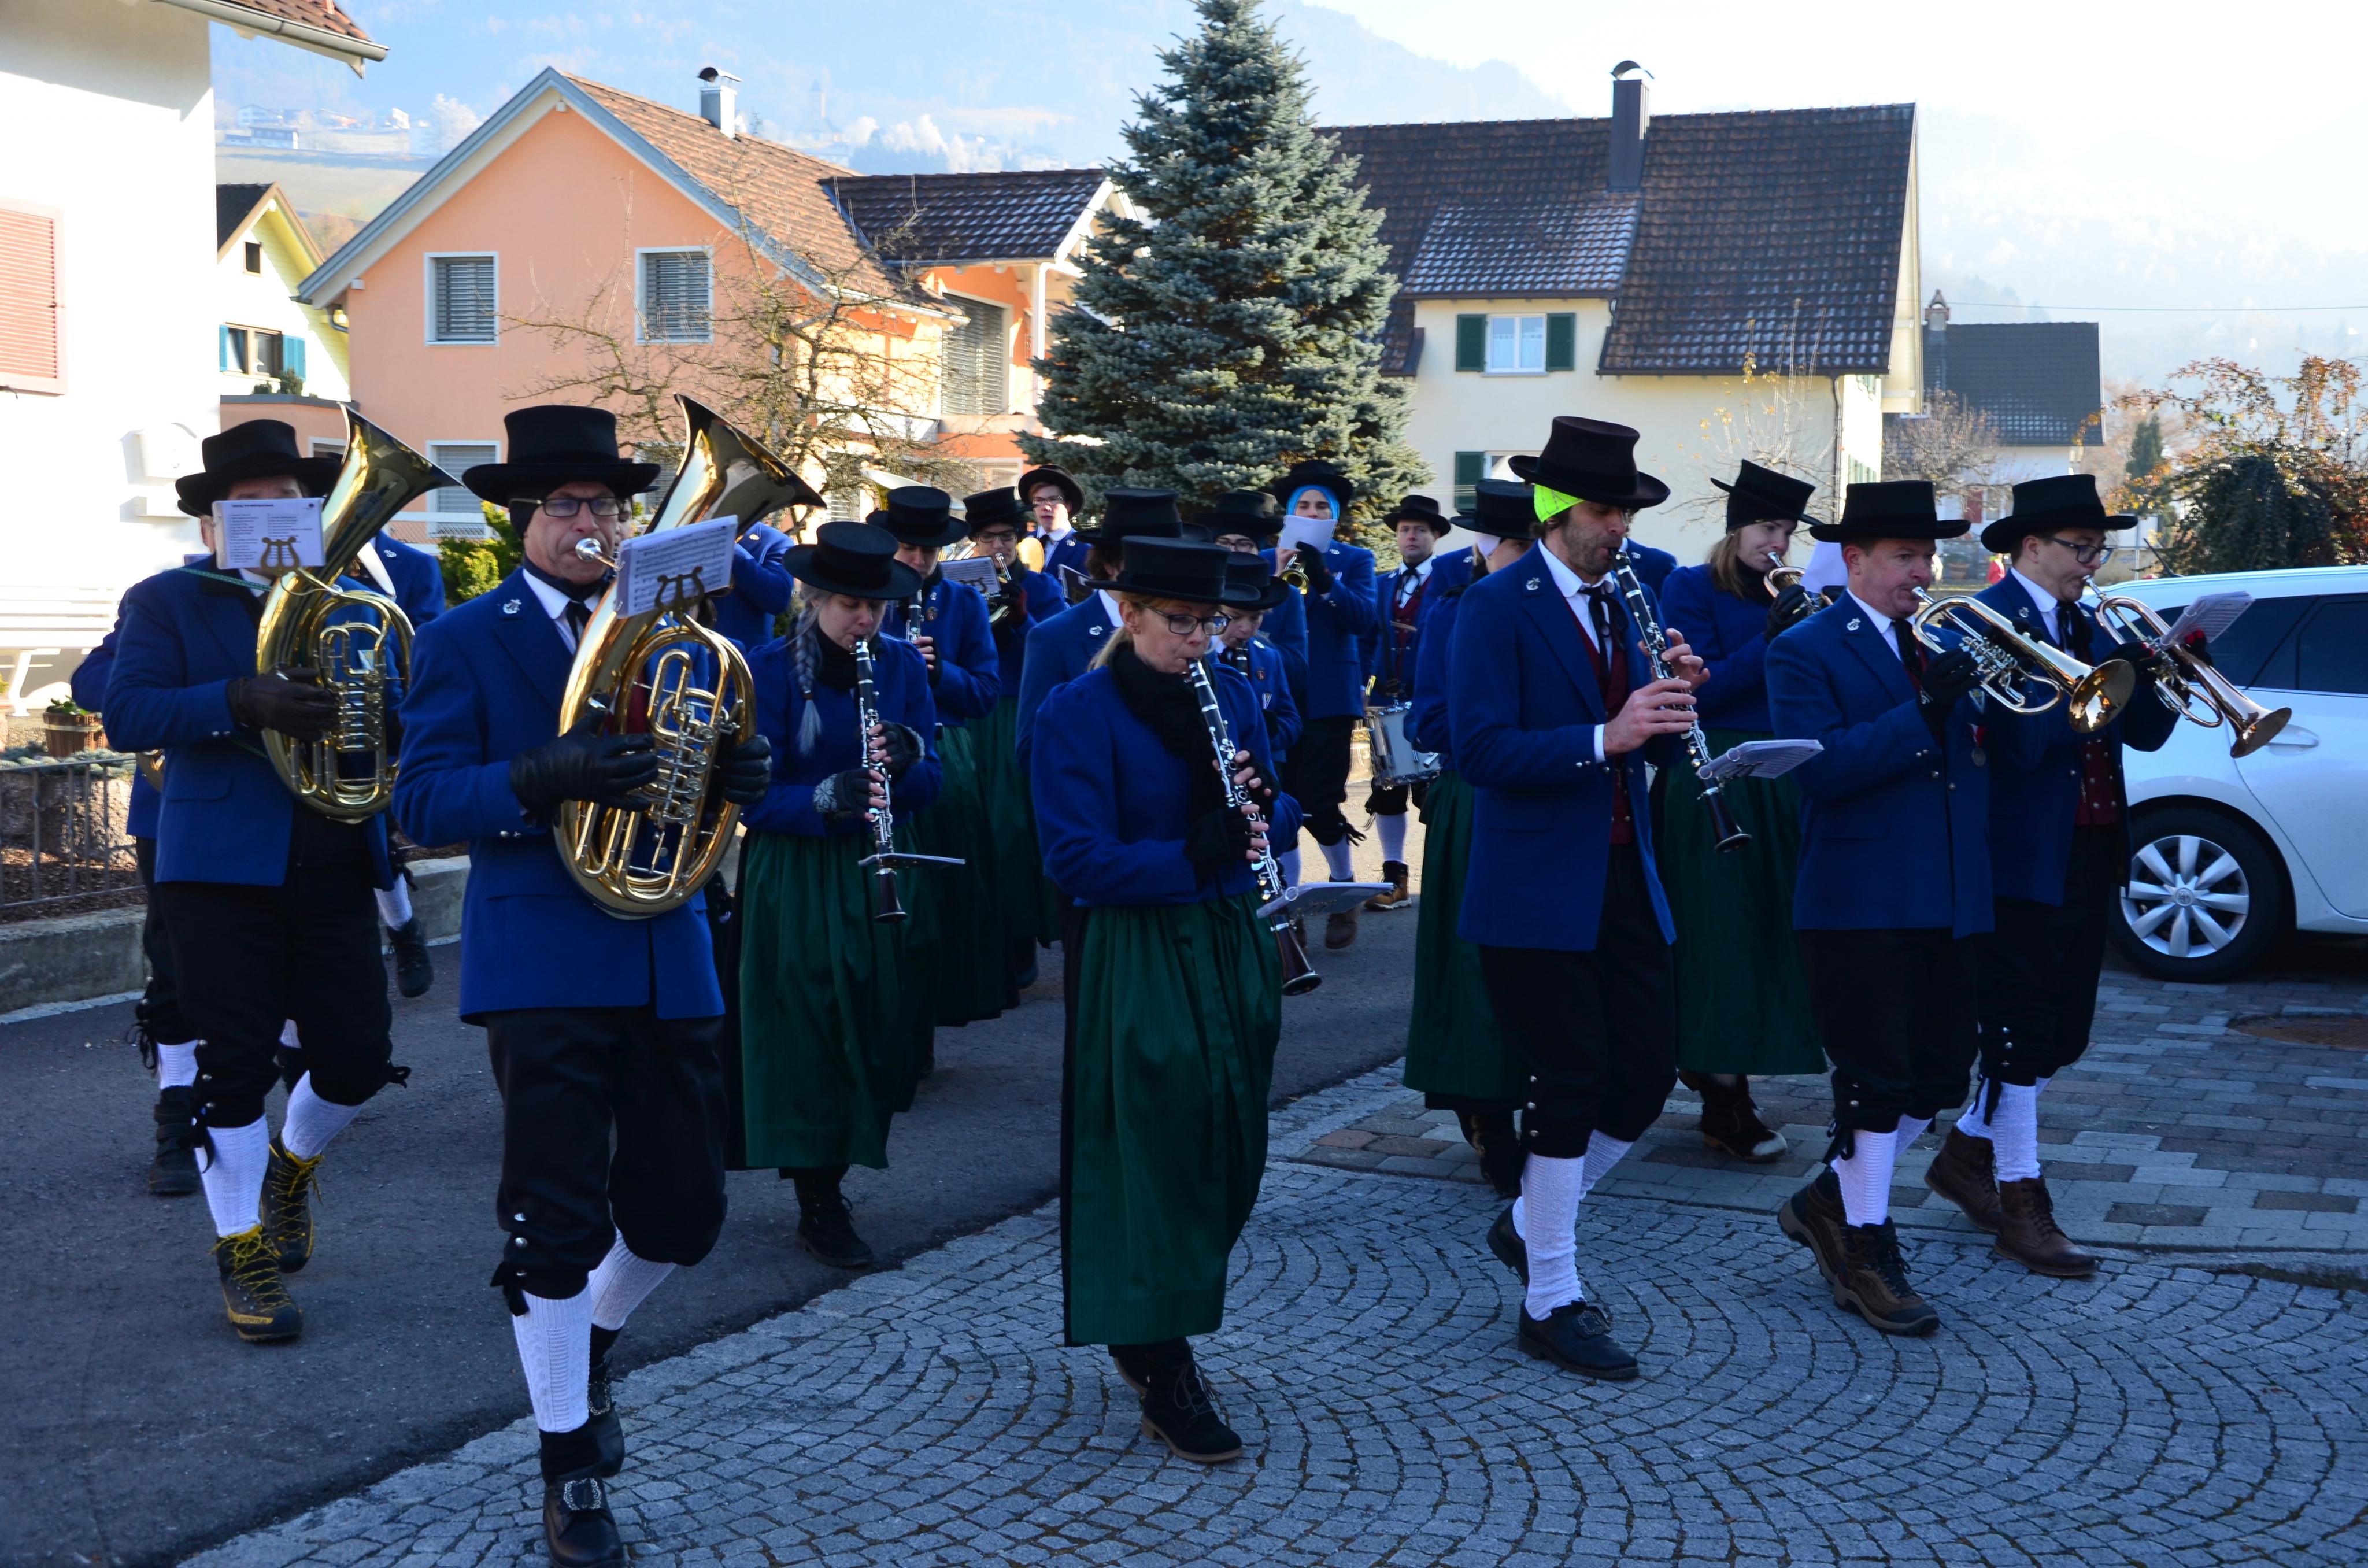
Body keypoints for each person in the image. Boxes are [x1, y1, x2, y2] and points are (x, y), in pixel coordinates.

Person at [393, 405, 771, 1567]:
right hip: (543, 958)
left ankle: (588, 1346)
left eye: (605, 504)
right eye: (565, 506)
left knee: (685, 1215)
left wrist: (740, 773)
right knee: (555, 1219)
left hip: (667, 949)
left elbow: (703, 774)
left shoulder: (679, 633)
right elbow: (419, 804)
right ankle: (567, 1463)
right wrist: (536, 776)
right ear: (521, 520)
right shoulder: (465, 636)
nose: (589, 523)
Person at [103, 419, 409, 1348]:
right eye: (250, 505)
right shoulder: (167, 599)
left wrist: (380, 716)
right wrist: (241, 699)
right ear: (213, 525)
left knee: (356, 1059)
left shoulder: (350, 599)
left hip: (331, 855)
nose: (272, 515)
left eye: (288, 502)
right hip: (217, 870)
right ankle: (242, 1246)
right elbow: (126, 712)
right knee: (232, 1065)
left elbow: (401, 709)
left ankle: (290, 1168)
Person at [1031, 535, 1300, 1464]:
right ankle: (1157, 1352)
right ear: (1130, 613)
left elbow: (1278, 806)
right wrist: (1195, 848)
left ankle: (1162, 1321)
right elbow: (1075, 860)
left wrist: (1264, 808)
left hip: (1229, 933)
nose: (1197, 639)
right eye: (1179, 622)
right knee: (1154, 1143)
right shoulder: (1078, 711)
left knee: (1230, 1141)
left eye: (1208, 623)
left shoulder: (1229, 693)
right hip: (1141, 944)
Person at [1452, 417, 1705, 1381]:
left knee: (1645, 1074)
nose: (1620, 528)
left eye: (1627, 512)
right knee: (1569, 1079)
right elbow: (1478, 751)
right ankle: (1551, 1296)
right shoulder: (1495, 605)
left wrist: (1676, 707)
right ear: (1558, 510)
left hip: (1625, 873)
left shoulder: (1626, 601)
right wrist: (1606, 735)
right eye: (1605, 511)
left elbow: (1647, 745)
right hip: (1533, 884)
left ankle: (1529, 1223)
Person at [1764, 479, 2038, 1338]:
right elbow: (1820, 771)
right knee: (1874, 1080)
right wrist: (1926, 709)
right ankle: (1865, 1246)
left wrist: (2019, 683)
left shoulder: (1944, 640)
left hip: (1949, 892)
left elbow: (2000, 755)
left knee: (1941, 1075)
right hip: (1859, 898)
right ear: (1854, 560)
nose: (1922, 572)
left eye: (1928, 556)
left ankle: (1831, 1198)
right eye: (1903, 557)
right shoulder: (1804, 649)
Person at [1924, 474, 2175, 1275]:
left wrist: (2158, 674)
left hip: (2093, 845)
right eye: (2080, 548)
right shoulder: (1986, 624)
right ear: (2030, 547)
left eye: (2099, 549)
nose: (2092, 563)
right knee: (2020, 1029)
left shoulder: (2090, 623)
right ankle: (2020, 1198)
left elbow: (2146, 739)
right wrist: (2097, 688)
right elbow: (2025, 747)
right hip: (2022, 855)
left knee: (2065, 1033)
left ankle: (1965, 1153)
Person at [735, 522, 942, 1270]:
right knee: (809, 1030)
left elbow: (933, 781)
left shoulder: (900, 665)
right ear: (814, 599)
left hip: (875, 864)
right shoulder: (765, 670)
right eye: (851, 605)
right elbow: (751, 797)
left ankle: (839, 1165)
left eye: (875, 607)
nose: (865, 620)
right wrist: (824, 796)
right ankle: (816, 1196)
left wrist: (910, 760)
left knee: (873, 1024)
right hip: (795, 872)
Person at [1655, 460, 1827, 1162]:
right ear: (1735, 530)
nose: (1777, 544)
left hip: (1783, 776)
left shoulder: (1796, 595)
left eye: (1786, 532)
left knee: (1770, 933)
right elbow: (1702, 689)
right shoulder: (1690, 587)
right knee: (1719, 934)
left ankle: (1728, 1068)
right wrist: (1773, 640)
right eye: (1766, 528)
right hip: (1713, 775)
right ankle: (1723, 1095)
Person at [1402, 479, 1534, 1197]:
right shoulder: (1453, 608)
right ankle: (1487, 1110)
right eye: (1511, 545)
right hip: (1478, 797)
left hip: (1551, 795)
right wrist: (1509, 735)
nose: (1523, 556)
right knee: (1474, 964)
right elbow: (1428, 721)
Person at [77, 586, 206, 1196]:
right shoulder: (166, 598)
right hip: (174, 811)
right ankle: (177, 1120)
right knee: (175, 968)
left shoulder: (321, 597)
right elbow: (91, 681)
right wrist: (196, 696)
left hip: (286, 804)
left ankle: (302, 1083)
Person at [875, 487, 1008, 1032]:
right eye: (907, 548)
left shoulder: (964, 602)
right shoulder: (870, 597)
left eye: (927, 551)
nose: (917, 560)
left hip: (947, 750)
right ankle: (893, 1015)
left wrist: (938, 673)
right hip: (883, 746)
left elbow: (985, 695)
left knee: (947, 889)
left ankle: (939, 1012)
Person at [1264, 460, 1379, 951]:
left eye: (1321, 507)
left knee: (1319, 801)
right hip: (1279, 692)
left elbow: (1365, 620)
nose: (1312, 514)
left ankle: (1343, 887)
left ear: (1334, 516)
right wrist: (1276, 575)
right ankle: (1290, 906)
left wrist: (1327, 581)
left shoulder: (1355, 559)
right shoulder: (1268, 557)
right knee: (1282, 802)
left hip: (1330, 697)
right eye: (1303, 506)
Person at [960, 487, 1065, 988]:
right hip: (971, 714)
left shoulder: (1041, 587)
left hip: (1017, 712)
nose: (998, 547)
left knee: (1013, 827)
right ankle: (978, 938)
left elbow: (1057, 647)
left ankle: (1019, 936)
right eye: (988, 539)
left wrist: (1022, 618)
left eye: (1006, 537)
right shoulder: (959, 586)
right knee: (972, 824)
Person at [1361, 494, 1467, 913]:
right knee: (1387, 792)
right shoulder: (1381, 582)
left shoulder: (1447, 580)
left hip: (1430, 699)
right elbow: (1368, 638)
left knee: (1433, 795)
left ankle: (1443, 879)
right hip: (1385, 700)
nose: (1410, 536)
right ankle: (1395, 877)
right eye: (1405, 530)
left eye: (1420, 530)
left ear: (1435, 536)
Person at [1214, 554, 1300, 764]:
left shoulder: (1268, 655)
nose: (1246, 629)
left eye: (1255, 617)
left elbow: (1292, 722)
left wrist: (1264, 732)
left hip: (1260, 767)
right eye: (1234, 617)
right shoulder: (1195, 653)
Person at [1024, 465, 1091, 585]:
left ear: (1068, 505)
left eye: (1053, 499)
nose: (1045, 507)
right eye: (1038, 500)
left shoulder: (1086, 550)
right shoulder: (1021, 543)